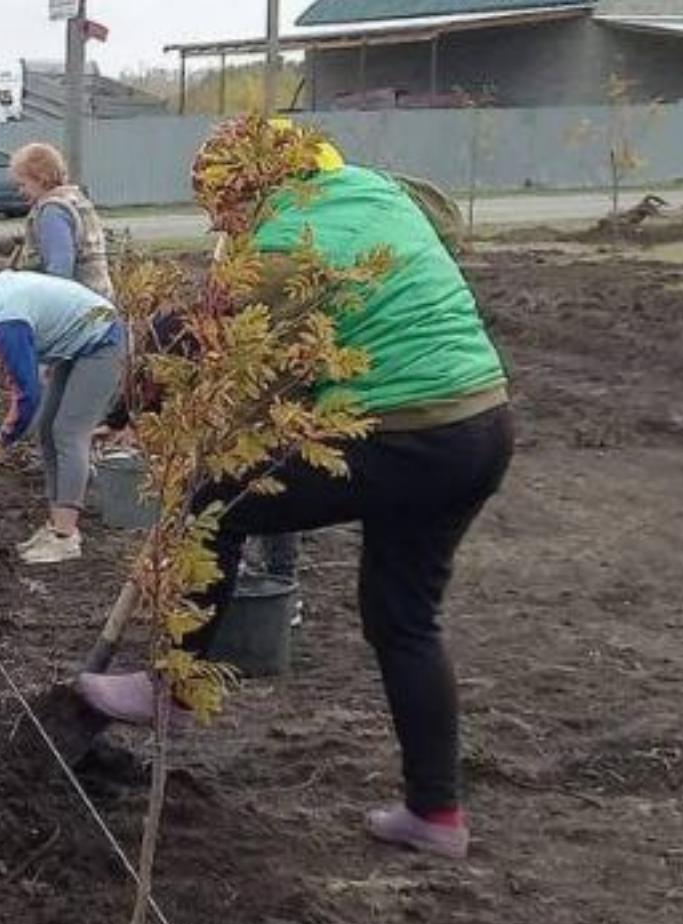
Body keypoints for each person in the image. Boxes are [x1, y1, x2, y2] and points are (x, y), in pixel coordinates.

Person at [77, 117, 513, 860]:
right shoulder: (375, 190)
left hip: (398, 430)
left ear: (246, 188)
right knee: (403, 620)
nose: (219, 222)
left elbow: (210, 346)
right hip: (479, 425)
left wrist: (130, 405)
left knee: (215, 499)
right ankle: (436, 815)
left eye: (221, 205)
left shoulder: (281, 248)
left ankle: (171, 688)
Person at [0, 268, 125, 566]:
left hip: (103, 340)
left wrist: (5, 440)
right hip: (78, 341)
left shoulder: (4, 323)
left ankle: (65, 537)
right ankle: (58, 523)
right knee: (46, 429)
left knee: (69, 433)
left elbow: (28, 397)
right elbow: (29, 384)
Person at [9, 142, 113, 298]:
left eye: (22, 184)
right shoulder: (77, 201)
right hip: (99, 299)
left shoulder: (53, 211)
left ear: (41, 178)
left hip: (76, 306)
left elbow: (60, 268)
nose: (20, 191)